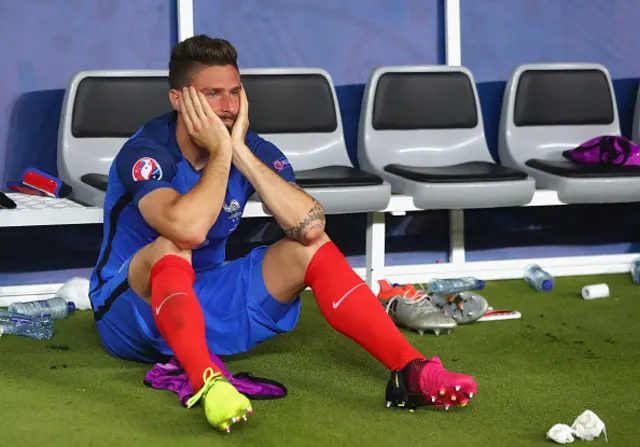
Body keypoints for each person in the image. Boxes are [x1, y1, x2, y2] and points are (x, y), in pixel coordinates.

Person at [88, 35, 477, 433]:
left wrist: (238, 152)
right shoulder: (146, 152)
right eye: (213, 94)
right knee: (173, 245)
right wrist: (223, 154)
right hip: (130, 312)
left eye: (235, 92)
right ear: (178, 100)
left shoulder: (250, 147)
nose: (229, 107)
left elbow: (310, 226)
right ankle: (208, 382)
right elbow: (187, 230)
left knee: (310, 249)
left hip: (200, 300)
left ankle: (411, 370)